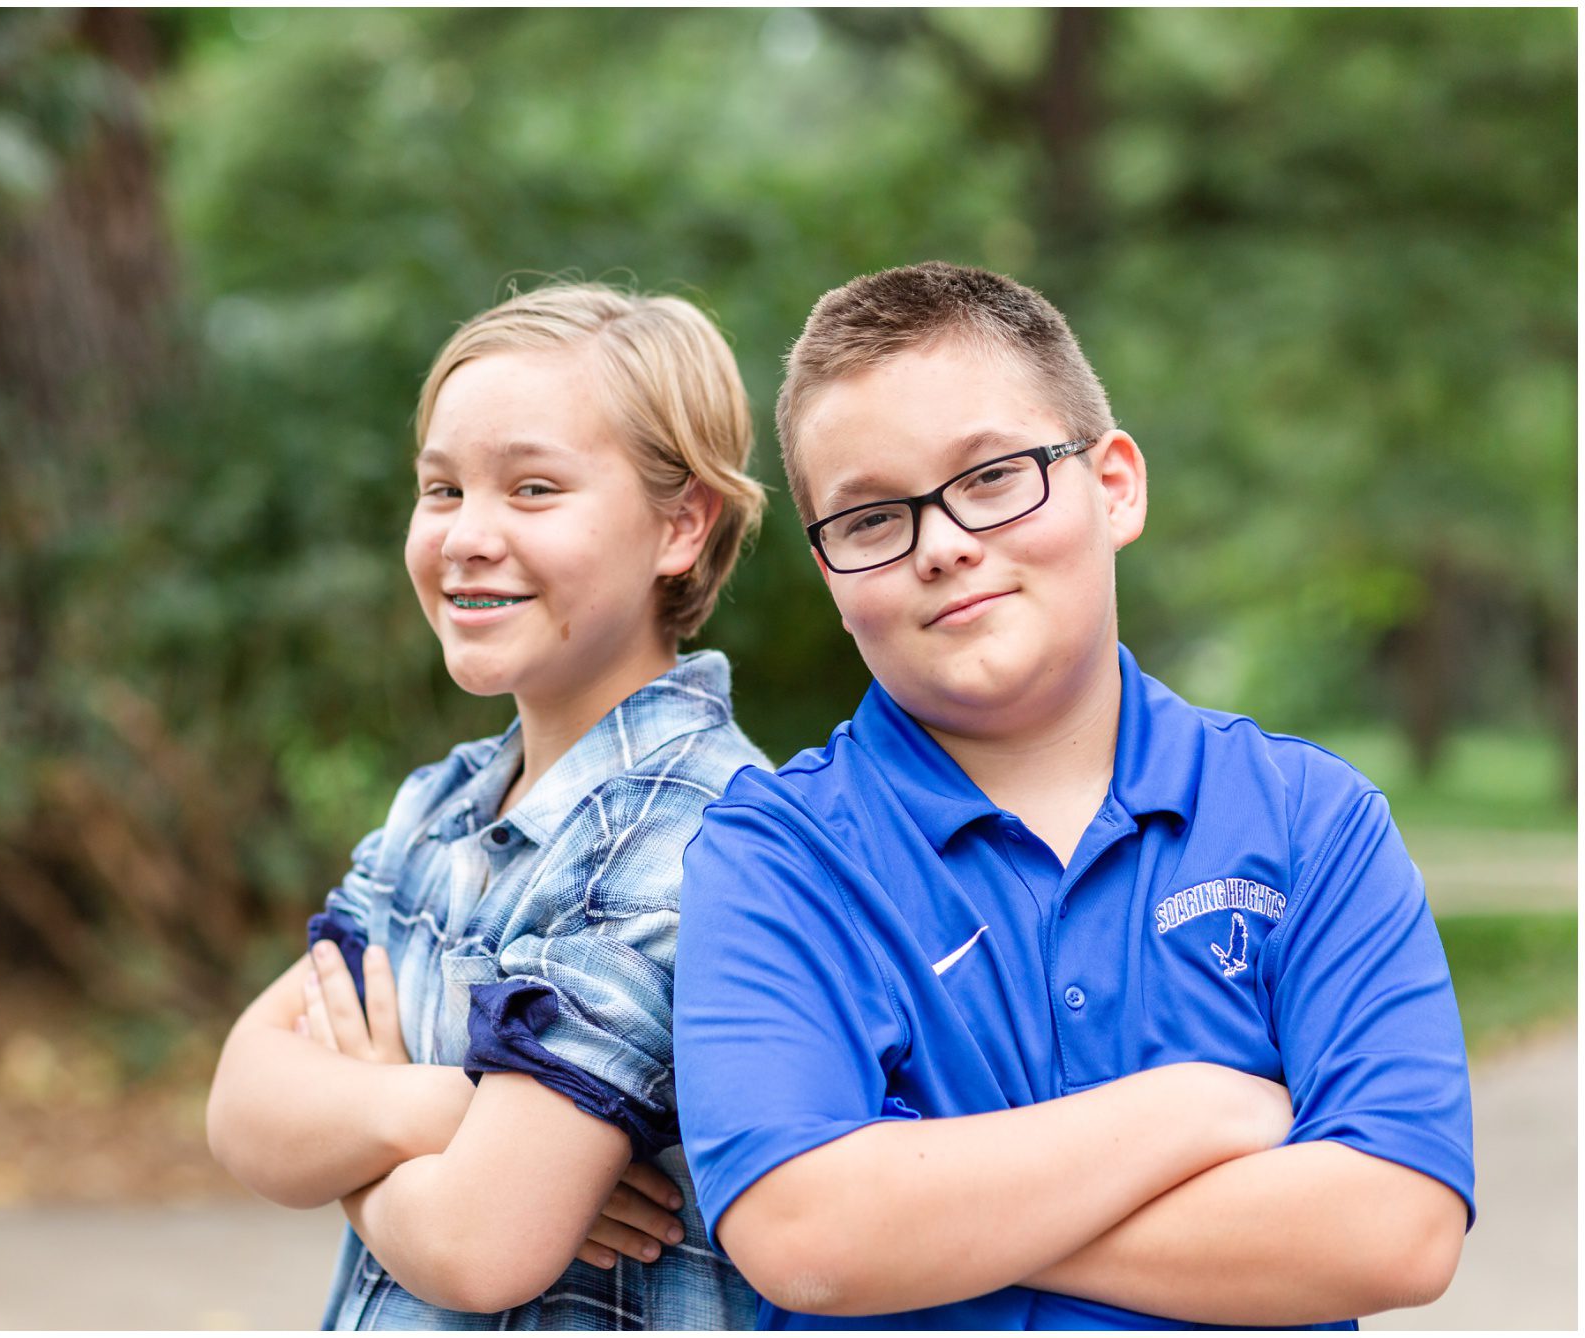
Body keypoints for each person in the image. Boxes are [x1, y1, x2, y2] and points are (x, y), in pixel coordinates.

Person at [672, 261, 1475, 1330]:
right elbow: (807, 1238)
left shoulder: (1305, 820)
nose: (945, 544)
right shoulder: (774, 854)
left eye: (993, 475)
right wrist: (1195, 1110)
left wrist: (928, 1222)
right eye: (869, 519)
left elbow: (1395, 1229)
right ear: (829, 575)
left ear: (1113, 487)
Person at [206, 282, 767, 1329]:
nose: (466, 535)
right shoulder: (442, 805)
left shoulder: (687, 829)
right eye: (440, 489)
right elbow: (242, 1106)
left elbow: (477, 1246)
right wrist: (442, 1107)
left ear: (680, 525)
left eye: (533, 489)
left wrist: (357, 1120)